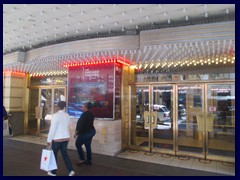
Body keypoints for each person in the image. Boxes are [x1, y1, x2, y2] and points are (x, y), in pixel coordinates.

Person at [47, 101, 75, 176]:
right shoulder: (67, 115)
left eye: (56, 106)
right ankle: (71, 170)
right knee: (65, 154)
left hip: (57, 139)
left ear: (58, 106)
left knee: (54, 155)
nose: (56, 107)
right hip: (66, 138)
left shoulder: (55, 116)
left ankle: (53, 172)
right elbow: (68, 126)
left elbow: (52, 129)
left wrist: (49, 140)